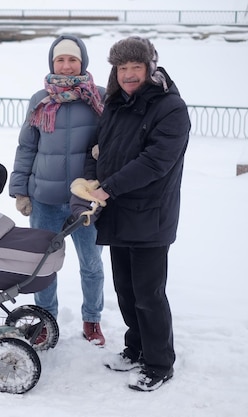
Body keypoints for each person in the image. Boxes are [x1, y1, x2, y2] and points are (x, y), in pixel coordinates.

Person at [84, 36, 190, 391]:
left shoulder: (170, 107)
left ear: (150, 67)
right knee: (126, 291)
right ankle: (136, 348)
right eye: (122, 68)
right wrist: (89, 178)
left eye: (136, 67)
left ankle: (160, 363)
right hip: (117, 211)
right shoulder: (115, 103)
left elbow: (156, 161)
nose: (129, 74)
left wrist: (108, 186)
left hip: (150, 215)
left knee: (149, 294)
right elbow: (98, 147)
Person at [9, 34, 107, 345]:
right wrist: (20, 191)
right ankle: (45, 321)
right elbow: (27, 147)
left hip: (86, 202)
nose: (66, 66)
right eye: (60, 60)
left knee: (91, 264)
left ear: (83, 62)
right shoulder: (39, 99)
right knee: (42, 267)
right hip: (45, 200)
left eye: (72, 60)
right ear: (53, 63)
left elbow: (115, 142)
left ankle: (92, 320)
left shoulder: (100, 98)